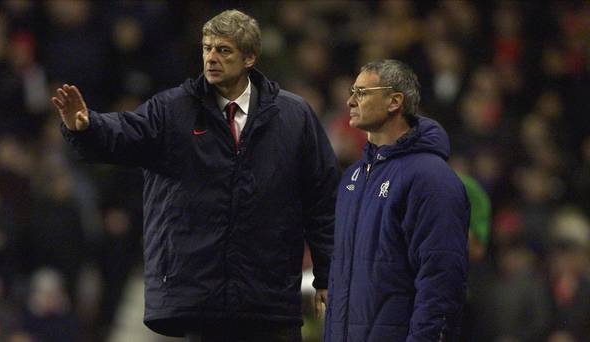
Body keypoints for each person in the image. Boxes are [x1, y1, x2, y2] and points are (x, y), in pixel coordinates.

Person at [51, 9, 340, 342]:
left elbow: (323, 201)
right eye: (207, 48)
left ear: (250, 58)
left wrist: (327, 275)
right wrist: (86, 126)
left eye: (224, 50)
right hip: (203, 302)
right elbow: (125, 133)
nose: (212, 58)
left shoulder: (294, 117)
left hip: (270, 298)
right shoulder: (173, 110)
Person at [324, 59, 470, 342]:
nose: (350, 101)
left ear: (394, 101)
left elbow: (441, 281)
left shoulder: (431, 178)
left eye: (362, 92)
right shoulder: (353, 178)